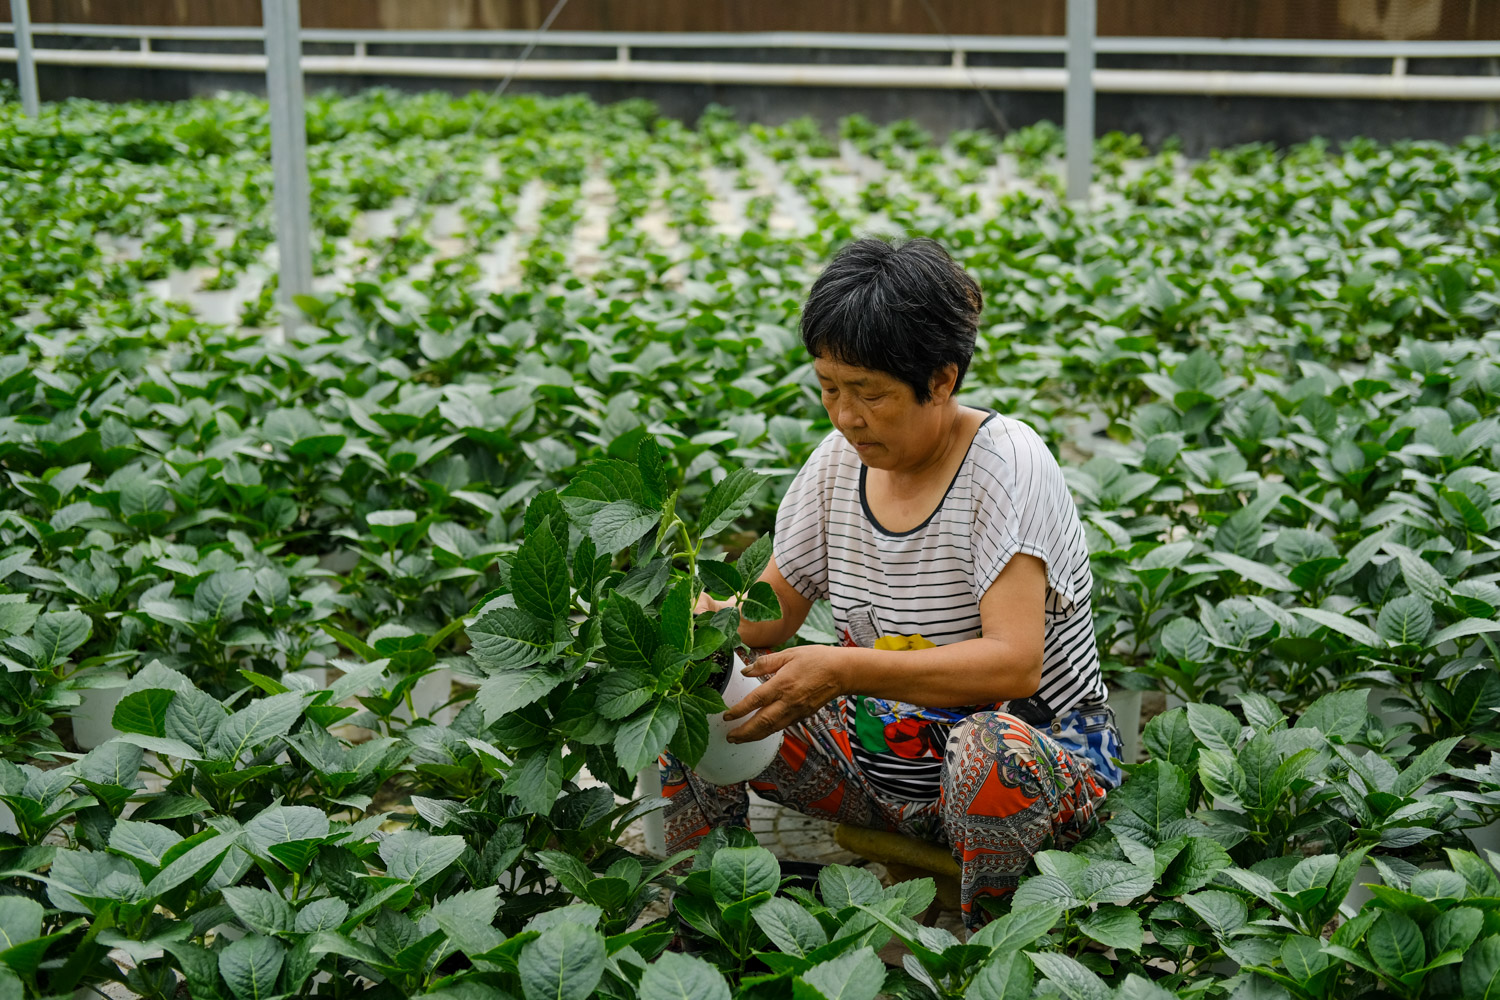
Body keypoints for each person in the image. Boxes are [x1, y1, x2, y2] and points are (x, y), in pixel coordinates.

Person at [663, 235, 1122, 929]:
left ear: (942, 380)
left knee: (987, 755)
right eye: (829, 388)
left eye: (870, 393)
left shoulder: (1009, 468)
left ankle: (990, 946)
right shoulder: (836, 465)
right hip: (875, 763)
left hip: (1029, 767)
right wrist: (692, 624)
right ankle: (710, 919)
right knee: (690, 688)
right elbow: (769, 616)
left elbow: (1017, 662)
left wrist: (845, 669)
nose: (846, 415)